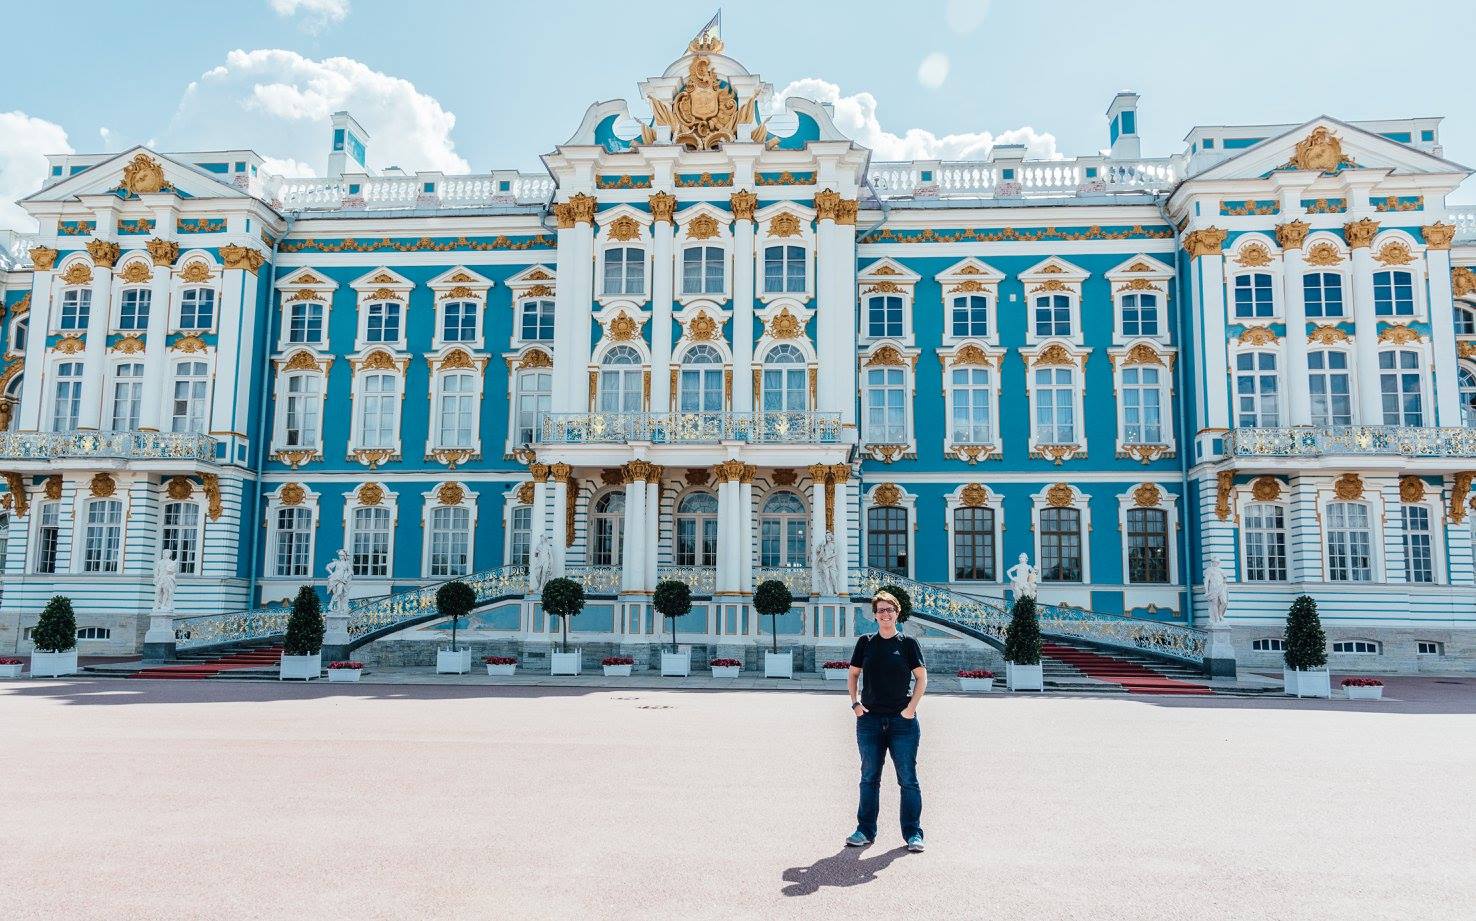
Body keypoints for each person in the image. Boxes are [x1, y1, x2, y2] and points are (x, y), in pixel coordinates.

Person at [845, 590, 927, 853]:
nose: (885, 614)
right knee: (869, 777)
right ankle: (865, 830)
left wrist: (911, 710)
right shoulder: (865, 642)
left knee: (908, 779)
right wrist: (855, 704)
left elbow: (921, 678)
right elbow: (853, 674)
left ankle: (913, 833)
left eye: (889, 609)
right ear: (875, 615)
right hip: (869, 720)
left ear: (897, 612)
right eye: (880, 610)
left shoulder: (908, 643)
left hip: (902, 722)